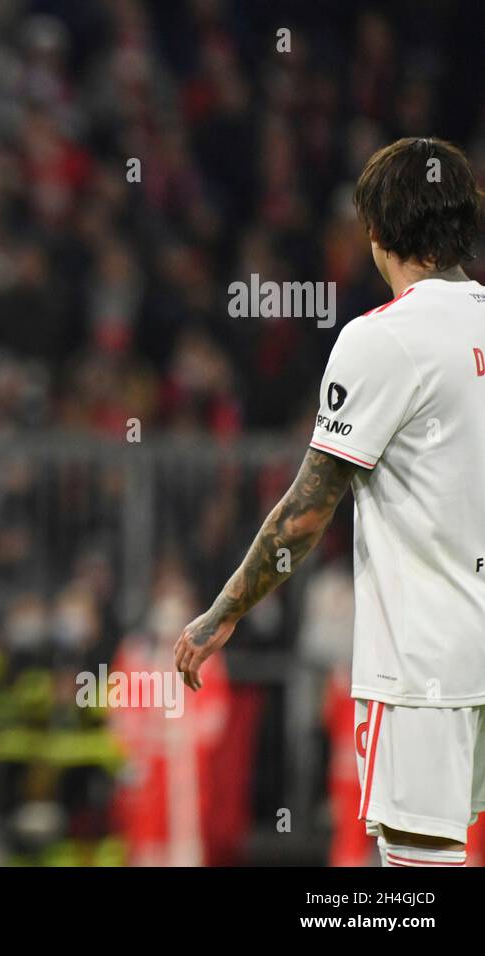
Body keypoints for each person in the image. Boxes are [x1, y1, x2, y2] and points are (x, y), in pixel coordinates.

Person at [175, 137, 485, 868]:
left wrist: (223, 612)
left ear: (375, 232)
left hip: (425, 665)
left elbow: (305, 513)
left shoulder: (383, 340)